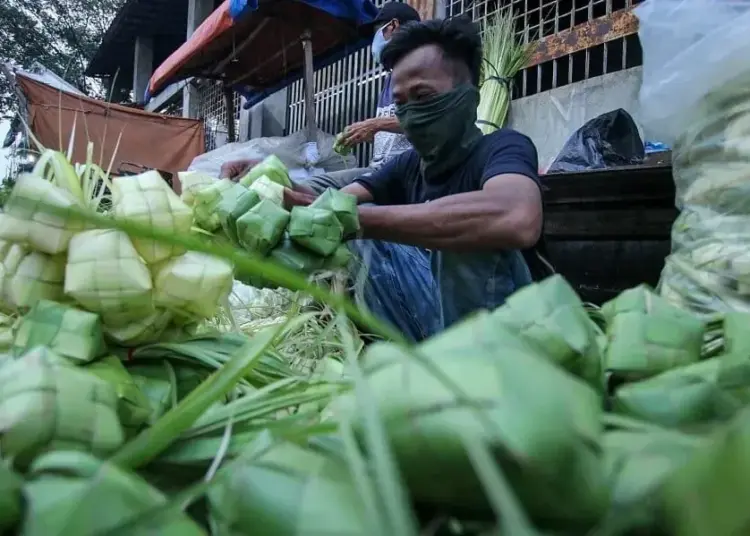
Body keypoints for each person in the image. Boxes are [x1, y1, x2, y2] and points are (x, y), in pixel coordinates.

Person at [220, 2, 421, 193]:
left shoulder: (420, 68)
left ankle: (268, 178)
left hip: (403, 172)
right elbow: (398, 128)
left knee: (319, 192)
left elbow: (428, 120)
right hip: (378, 170)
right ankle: (262, 175)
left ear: (393, 26)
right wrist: (368, 133)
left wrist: (375, 125)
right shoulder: (390, 76)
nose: (373, 42)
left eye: (376, 32)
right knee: (310, 186)